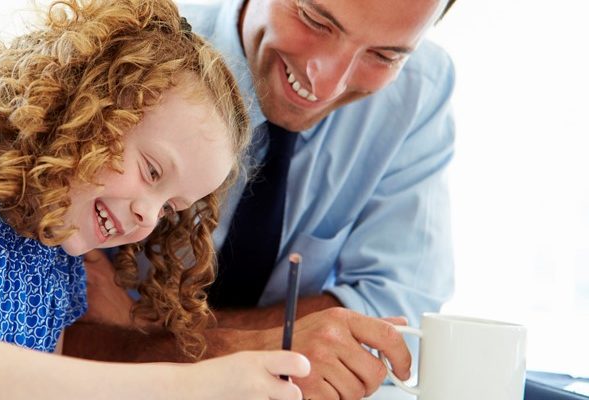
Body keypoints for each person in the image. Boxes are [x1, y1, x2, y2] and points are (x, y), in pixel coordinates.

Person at [0, 0, 315, 398]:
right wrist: (196, 386)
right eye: (152, 171)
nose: (148, 215)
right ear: (90, 109)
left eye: (169, 209)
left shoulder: (56, 258)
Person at [64, 0, 458, 399]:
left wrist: (146, 326)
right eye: (315, 20)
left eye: (384, 56)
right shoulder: (132, 46)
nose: (328, 83)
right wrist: (256, 347)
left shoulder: (420, 92)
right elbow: (53, 332)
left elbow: (403, 318)